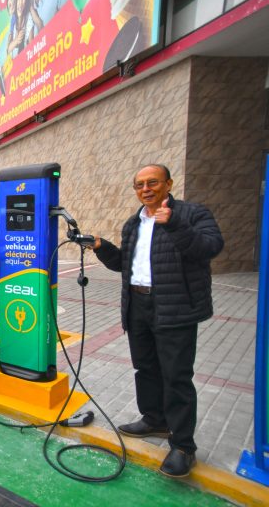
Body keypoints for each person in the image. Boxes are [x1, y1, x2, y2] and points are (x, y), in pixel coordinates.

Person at [91, 164, 224, 478]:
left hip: (174, 306)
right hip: (138, 304)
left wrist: (175, 223)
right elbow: (125, 264)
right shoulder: (133, 223)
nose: (145, 189)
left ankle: (183, 446)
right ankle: (154, 419)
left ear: (169, 184)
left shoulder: (192, 214)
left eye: (152, 182)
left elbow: (211, 247)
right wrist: (101, 247)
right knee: (146, 367)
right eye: (139, 185)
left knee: (176, 376)